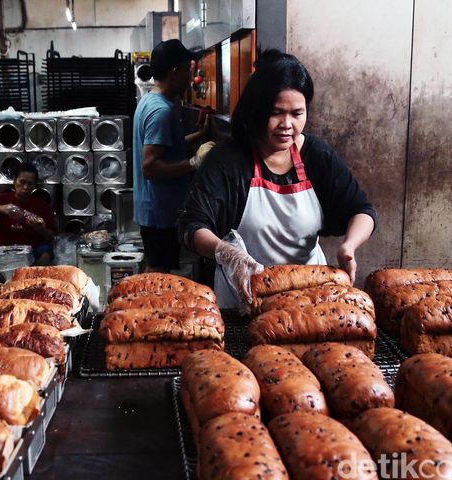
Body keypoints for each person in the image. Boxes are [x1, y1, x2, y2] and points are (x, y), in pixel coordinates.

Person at [177, 50, 377, 310]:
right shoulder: (228, 160)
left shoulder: (316, 156)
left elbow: (362, 210)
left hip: (310, 302)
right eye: (276, 113)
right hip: (244, 299)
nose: (287, 124)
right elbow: (191, 224)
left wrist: (349, 246)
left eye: (297, 113)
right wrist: (225, 253)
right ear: (256, 111)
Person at [133, 39, 212, 273]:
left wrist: (201, 135)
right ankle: (146, 309)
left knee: (157, 269)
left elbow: (165, 147)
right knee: (157, 274)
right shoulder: (161, 111)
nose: (191, 76)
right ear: (175, 71)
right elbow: (150, 166)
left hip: (155, 210)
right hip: (160, 213)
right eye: (188, 70)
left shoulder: (149, 101)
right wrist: (194, 162)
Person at [0, 164, 57, 266]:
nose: (25, 187)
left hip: (31, 248)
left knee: (46, 255)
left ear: (35, 186)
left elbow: (52, 237)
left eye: (30, 184)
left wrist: (41, 229)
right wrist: (1, 208)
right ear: (15, 181)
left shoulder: (41, 206)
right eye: (22, 182)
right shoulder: (2, 199)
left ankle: (34, 278)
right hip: (3, 246)